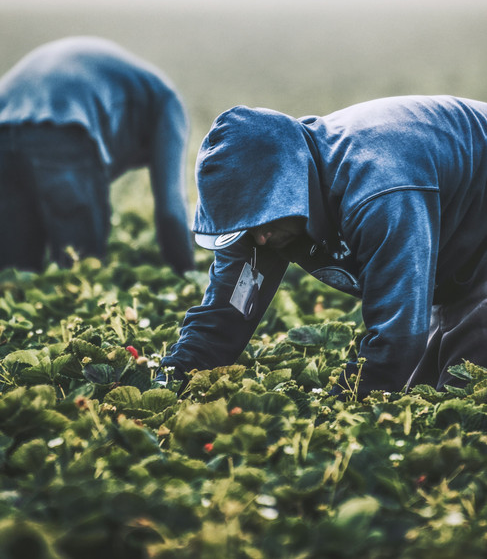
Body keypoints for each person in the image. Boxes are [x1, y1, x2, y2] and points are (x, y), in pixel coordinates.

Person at [156, 97, 487, 399]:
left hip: (475, 249)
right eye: (246, 226)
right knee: (419, 394)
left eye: (264, 220)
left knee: (461, 396)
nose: (259, 240)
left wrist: (334, 406)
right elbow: (223, 317)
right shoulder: (261, 220)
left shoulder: (378, 191)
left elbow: (397, 339)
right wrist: (166, 382)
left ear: (291, 186)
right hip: (454, 259)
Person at [0, 36, 194, 274]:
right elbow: (171, 210)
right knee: (80, 272)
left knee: (14, 276)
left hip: (5, 119)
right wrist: (188, 273)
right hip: (64, 124)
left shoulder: (137, 96)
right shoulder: (169, 104)